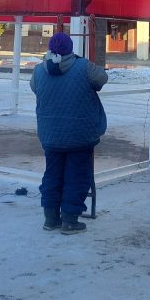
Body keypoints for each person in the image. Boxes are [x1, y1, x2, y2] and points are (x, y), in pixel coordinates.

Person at [29, 31, 108, 234]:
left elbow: (35, 88)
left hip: (50, 136)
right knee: (77, 176)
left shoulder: (39, 70)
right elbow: (103, 78)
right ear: (70, 49)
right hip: (79, 135)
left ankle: (50, 218)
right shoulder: (83, 67)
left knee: (52, 175)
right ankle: (70, 221)